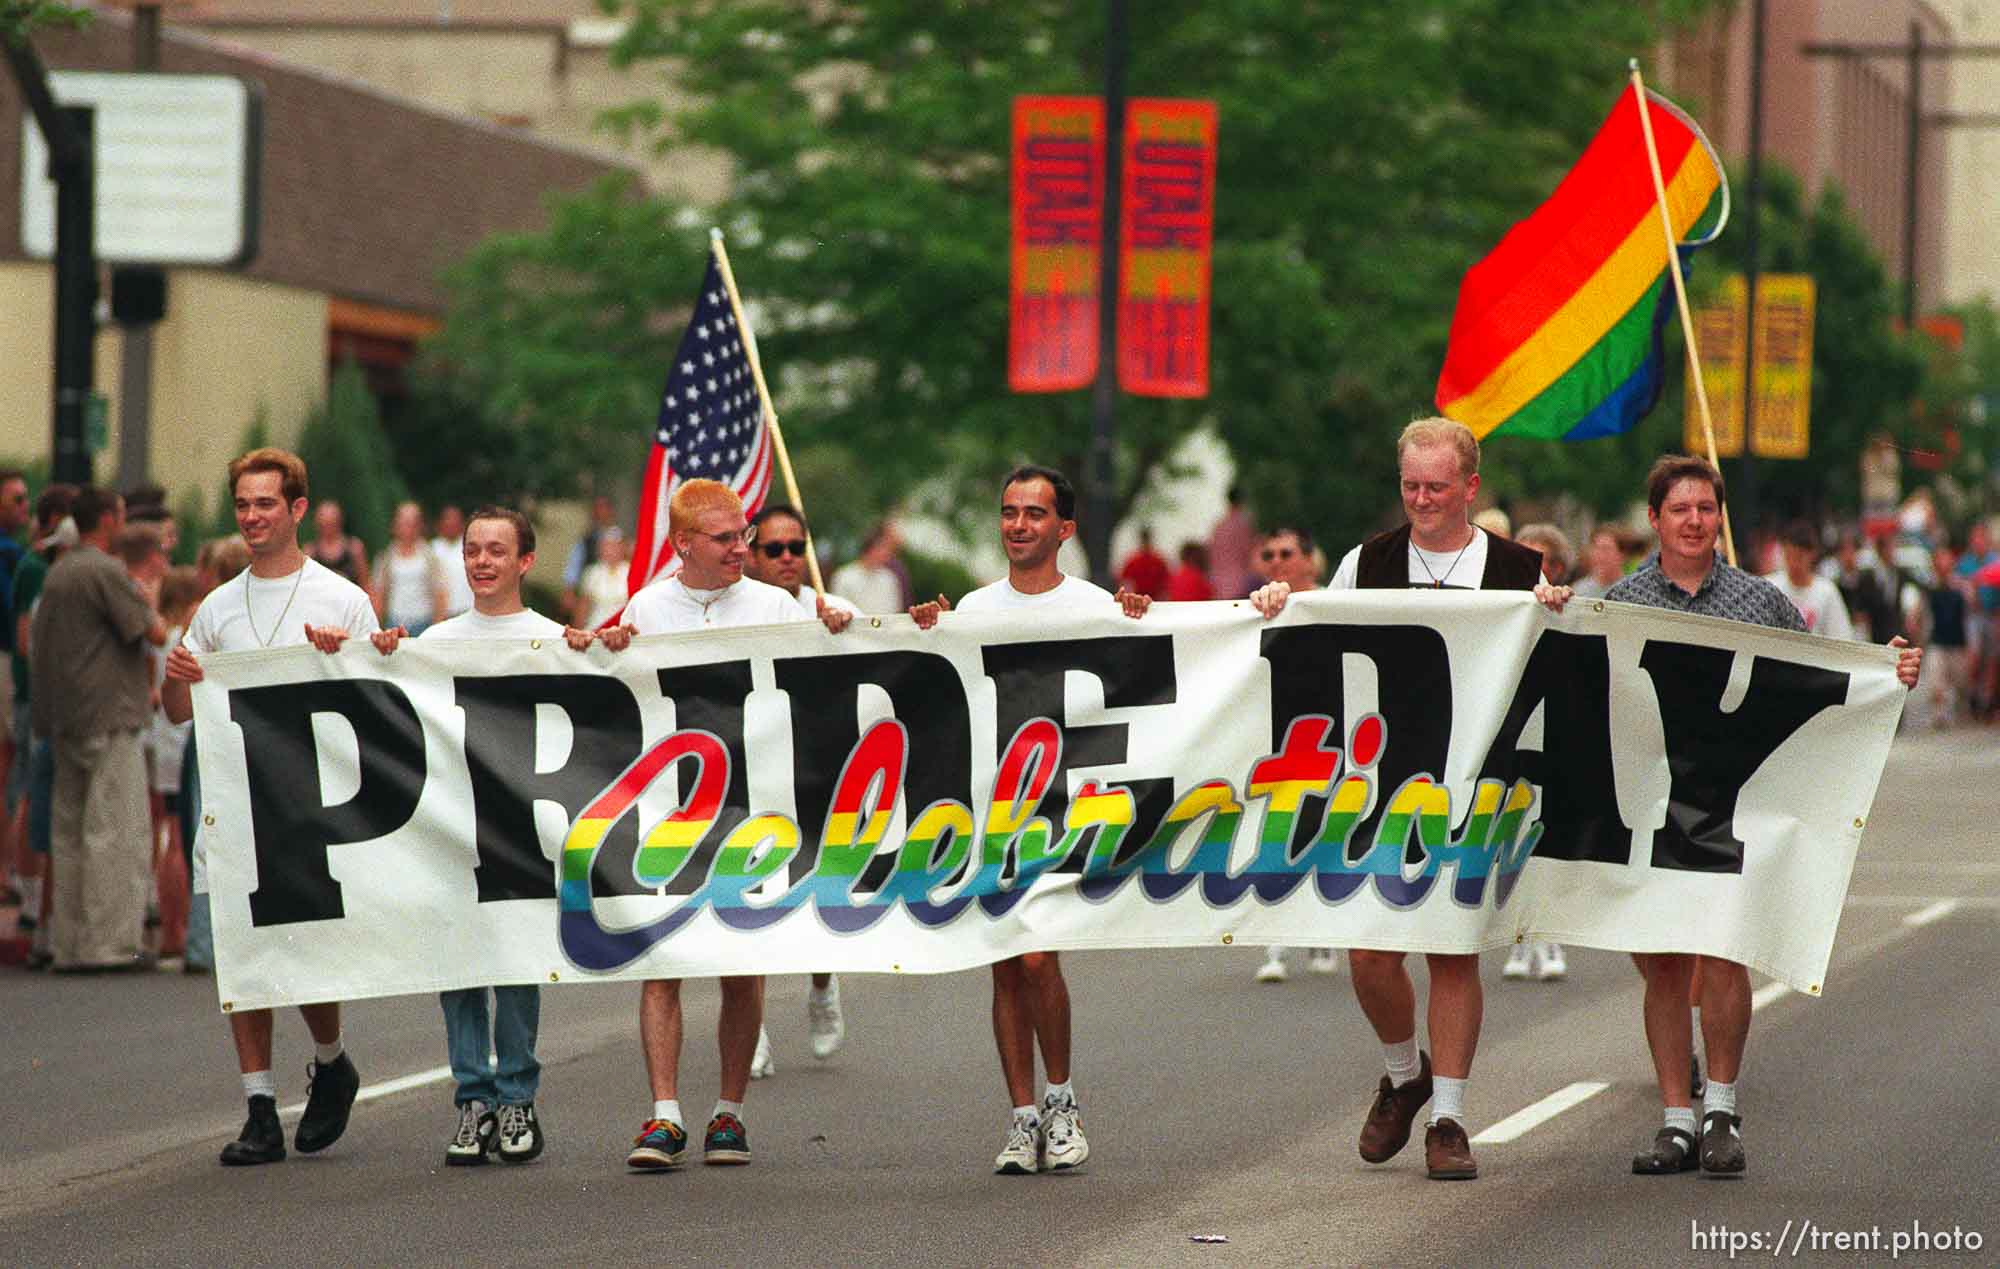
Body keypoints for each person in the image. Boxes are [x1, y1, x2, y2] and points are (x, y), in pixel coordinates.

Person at [1538, 455, 1921, 1177]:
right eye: (1680, 509)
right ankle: (1674, 1120)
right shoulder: (1620, 601)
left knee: (1722, 949)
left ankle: (1720, 1107)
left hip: (1732, 809)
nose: (1694, 521)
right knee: (1662, 964)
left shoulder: (1761, 602)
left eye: (1706, 509)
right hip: (1649, 811)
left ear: (1720, 517)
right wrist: (1552, 614)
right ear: (1654, 520)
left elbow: (1817, 675)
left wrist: (1884, 668)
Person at [1251, 417, 1548, 1182]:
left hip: (1478, 782)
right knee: (1371, 951)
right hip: (1384, 784)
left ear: (1470, 487)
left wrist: (1558, 611)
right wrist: (1283, 600)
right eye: (1410, 485)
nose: (1421, 499)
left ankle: (1448, 1117)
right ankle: (1403, 1069)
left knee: (1453, 947)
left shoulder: (1519, 568)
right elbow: (1320, 631)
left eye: (1437, 487)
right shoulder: (1369, 561)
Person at [599, 479, 851, 1173]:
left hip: (753, 809)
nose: (744, 547)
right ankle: (665, 1114)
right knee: (663, 962)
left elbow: (842, 667)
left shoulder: (777, 604)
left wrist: (835, 629)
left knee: (741, 966)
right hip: (670, 811)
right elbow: (595, 674)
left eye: (744, 535)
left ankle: (729, 1114)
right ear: (684, 544)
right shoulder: (648, 606)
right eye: (727, 538)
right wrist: (599, 644)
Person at [909, 465, 1152, 1176]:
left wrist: (1139, 616)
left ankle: (1061, 1099)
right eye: (1010, 512)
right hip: (990, 812)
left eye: (1035, 514)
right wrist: (925, 629)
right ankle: (1021, 1118)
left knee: (1041, 953)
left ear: (1065, 529)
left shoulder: (1096, 604)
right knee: (1005, 962)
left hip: (1068, 810)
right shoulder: (973, 610)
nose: (1019, 525)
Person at [163, 448, 378, 1167]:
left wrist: (341, 657)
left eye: (265, 504)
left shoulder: (341, 598)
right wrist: (179, 676)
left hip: (309, 807)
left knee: (303, 954)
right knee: (245, 955)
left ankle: (332, 1060)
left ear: (296, 510)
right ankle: (259, 1106)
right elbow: (173, 710)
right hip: (235, 803)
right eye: (243, 505)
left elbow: (377, 704)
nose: (252, 517)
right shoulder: (217, 606)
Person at [365, 507, 592, 1166]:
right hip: (452, 823)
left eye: (497, 550)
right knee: (459, 960)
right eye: (472, 549)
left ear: (525, 561)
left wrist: (600, 653)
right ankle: (473, 1096)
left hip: (523, 825)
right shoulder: (436, 638)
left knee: (516, 956)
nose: (482, 561)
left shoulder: (553, 637)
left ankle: (518, 1093)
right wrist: (377, 656)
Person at [28, 487, 168, 972]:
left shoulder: (60, 571)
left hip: (64, 718)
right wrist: (150, 600)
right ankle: (107, 945)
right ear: (108, 520)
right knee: (114, 832)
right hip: (109, 715)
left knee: (69, 835)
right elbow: (151, 631)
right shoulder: (105, 570)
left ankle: (68, 943)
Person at [744, 503, 859, 1063]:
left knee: (816, 892)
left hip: (818, 772)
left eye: (797, 547)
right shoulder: (733, 611)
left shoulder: (833, 608)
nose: (788, 558)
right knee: (749, 894)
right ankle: (750, 1025)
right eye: (774, 548)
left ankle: (822, 986)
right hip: (752, 776)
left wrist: (844, 632)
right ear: (751, 553)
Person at [1249, 527, 1340, 985]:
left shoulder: (1334, 602)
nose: (1277, 561)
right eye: (1269, 554)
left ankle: (1322, 933)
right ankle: (1276, 943)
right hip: (1276, 741)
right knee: (1275, 838)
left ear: (1310, 560)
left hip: (1330, 738)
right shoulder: (1249, 608)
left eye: (1287, 552)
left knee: (1324, 834)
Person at [1503, 523, 1577, 984]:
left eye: (1547, 560)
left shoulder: (1571, 608)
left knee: (1545, 839)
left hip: (1555, 734)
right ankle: (1518, 938)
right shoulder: (1499, 610)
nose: (1538, 569)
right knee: (1511, 836)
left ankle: (1549, 938)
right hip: (1509, 736)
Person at [8, 486, 76, 963]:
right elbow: (30, 644)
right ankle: (33, 901)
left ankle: (39, 910)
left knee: (41, 801)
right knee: (39, 800)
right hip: (49, 708)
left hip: (49, 706)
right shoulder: (43, 580)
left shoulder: (45, 579)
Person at [1764, 521, 1855, 640]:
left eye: (1799, 557)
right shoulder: (1769, 587)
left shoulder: (1826, 592)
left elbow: (1841, 637)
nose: (1793, 563)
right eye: (1789, 555)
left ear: (1812, 554)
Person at [371, 501, 447, 635]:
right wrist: (376, 627)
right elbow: (378, 594)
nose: (408, 527)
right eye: (404, 522)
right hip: (394, 623)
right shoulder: (385, 558)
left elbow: (440, 593)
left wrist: (437, 627)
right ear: (395, 525)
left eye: (413, 523)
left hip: (424, 622)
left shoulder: (430, 557)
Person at [561, 494, 619, 624]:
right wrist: (569, 590)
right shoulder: (587, 539)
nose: (601, 512)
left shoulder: (621, 536)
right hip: (593, 584)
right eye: (597, 509)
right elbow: (574, 564)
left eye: (604, 508)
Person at [831, 519, 908, 614]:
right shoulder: (844, 576)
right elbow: (838, 610)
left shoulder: (889, 579)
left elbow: (894, 612)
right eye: (883, 548)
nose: (887, 554)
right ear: (872, 547)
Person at [574, 528, 631, 630]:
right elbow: (583, 607)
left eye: (615, 546)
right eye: (606, 545)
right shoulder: (592, 572)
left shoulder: (632, 571)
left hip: (623, 631)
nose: (610, 550)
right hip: (596, 629)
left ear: (623, 548)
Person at [307, 500, 369, 588]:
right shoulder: (310, 552)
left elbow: (365, 583)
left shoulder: (354, 548)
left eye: (331, 523)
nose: (327, 527)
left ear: (339, 521)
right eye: (323, 523)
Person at [1208, 486, 1256, 599]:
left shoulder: (1219, 526)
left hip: (1217, 585)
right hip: (1240, 584)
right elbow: (1249, 553)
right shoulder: (1244, 525)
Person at [429, 504, 475, 617]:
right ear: (440, 523)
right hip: (440, 614)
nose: (451, 524)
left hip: (468, 610)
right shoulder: (431, 549)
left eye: (455, 520)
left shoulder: (471, 547)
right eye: (447, 519)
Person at [1569, 526, 1627, 599]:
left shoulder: (1630, 590)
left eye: (1606, 549)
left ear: (1622, 555)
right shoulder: (1579, 591)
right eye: (1596, 549)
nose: (1599, 555)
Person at [1115, 527, 1171, 600]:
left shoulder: (1133, 560)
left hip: (1139, 600)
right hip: (1153, 600)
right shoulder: (1158, 560)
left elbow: (1122, 580)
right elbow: (1167, 583)